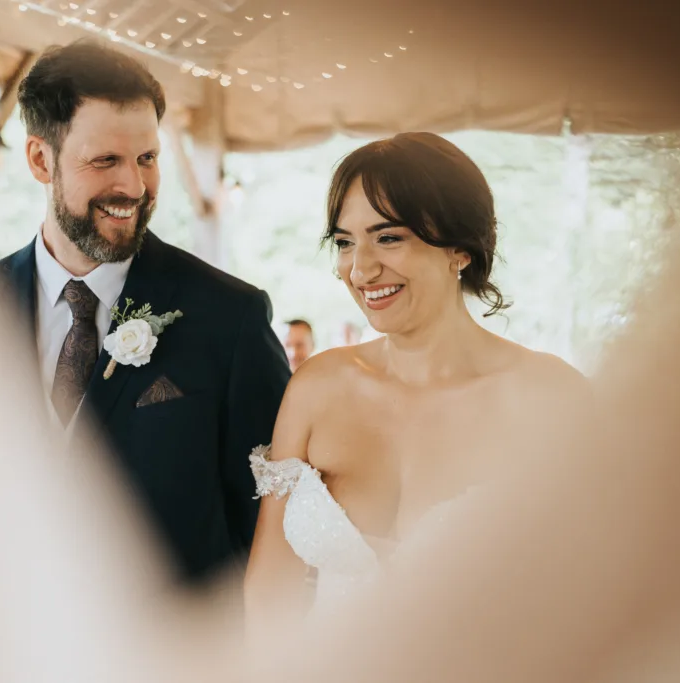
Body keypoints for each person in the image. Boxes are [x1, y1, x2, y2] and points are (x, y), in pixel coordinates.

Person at [0, 40, 290, 587]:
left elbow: (270, 525)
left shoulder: (230, 316)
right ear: (40, 160)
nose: (135, 188)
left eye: (147, 158)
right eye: (106, 161)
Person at [243, 132, 588, 625]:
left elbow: (591, 599)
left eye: (388, 238)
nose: (360, 269)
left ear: (460, 249)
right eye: (345, 243)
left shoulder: (549, 397)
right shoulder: (317, 388)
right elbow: (268, 591)